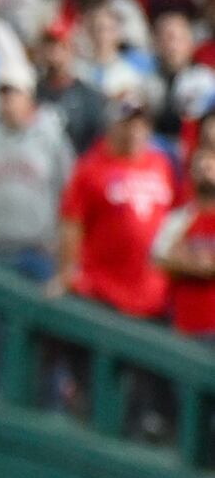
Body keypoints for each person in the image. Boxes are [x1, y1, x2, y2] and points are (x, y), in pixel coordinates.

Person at [54, 91, 175, 320]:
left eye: (141, 124)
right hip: (105, 293)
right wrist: (66, 273)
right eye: (127, 124)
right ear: (112, 125)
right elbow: (71, 224)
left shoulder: (162, 164)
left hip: (154, 296)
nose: (134, 131)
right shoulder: (91, 167)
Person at [0, 62, 74, 283]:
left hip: (38, 252)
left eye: (13, 93)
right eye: (1, 93)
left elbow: (69, 194)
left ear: (28, 96)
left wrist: (59, 244)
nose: (7, 100)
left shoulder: (52, 140)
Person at [152, 145, 215, 342]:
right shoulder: (181, 218)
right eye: (201, 168)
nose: (206, 174)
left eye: (211, 167)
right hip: (183, 324)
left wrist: (188, 258)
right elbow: (159, 258)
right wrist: (196, 265)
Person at [38, 19, 107, 153]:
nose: (53, 52)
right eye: (48, 46)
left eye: (60, 46)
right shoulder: (33, 93)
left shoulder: (89, 96)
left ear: (72, 50)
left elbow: (98, 141)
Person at [150, 10, 215, 141]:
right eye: (165, 38)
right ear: (155, 43)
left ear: (190, 41)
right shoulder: (145, 82)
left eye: (176, 38)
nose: (171, 45)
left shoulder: (206, 80)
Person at [76, 3, 155, 102]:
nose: (103, 35)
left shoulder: (138, 65)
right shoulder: (80, 70)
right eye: (98, 29)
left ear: (118, 32)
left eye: (109, 29)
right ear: (89, 32)